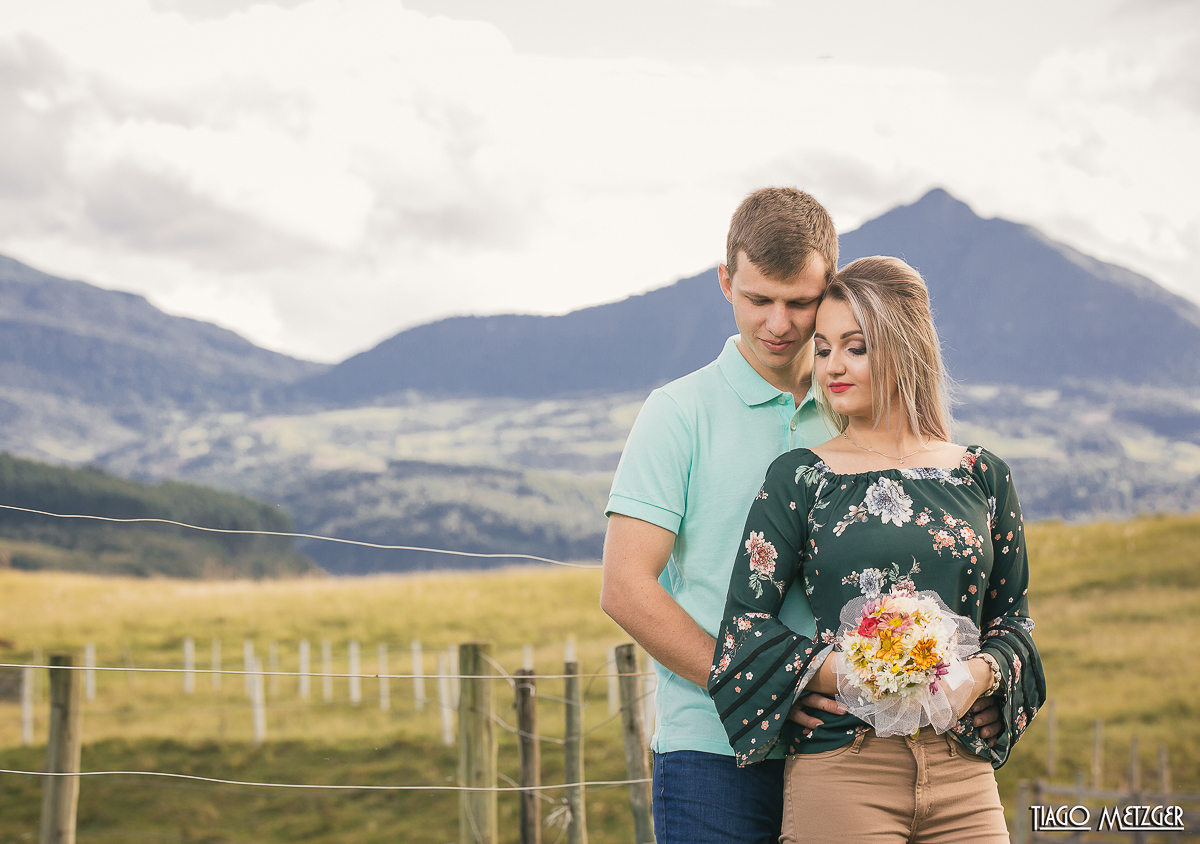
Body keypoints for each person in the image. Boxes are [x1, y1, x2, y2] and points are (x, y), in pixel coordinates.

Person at [601, 190, 1003, 843]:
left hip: (854, 749)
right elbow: (625, 588)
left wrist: (979, 675)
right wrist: (767, 686)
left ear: (832, 287)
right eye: (759, 299)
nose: (780, 324)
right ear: (726, 282)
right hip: (716, 748)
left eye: (800, 302)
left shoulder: (859, 407)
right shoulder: (678, 414)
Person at [709, 256, 1046, 843]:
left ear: (903, 349)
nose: (832, 366)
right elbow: (744, 627)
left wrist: (977, 676)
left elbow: (1014, 620)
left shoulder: (983, 477)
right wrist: (848, 673)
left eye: (855, 347)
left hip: (962, 771)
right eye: (823, 348)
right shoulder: (801, 479)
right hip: (845, 769)